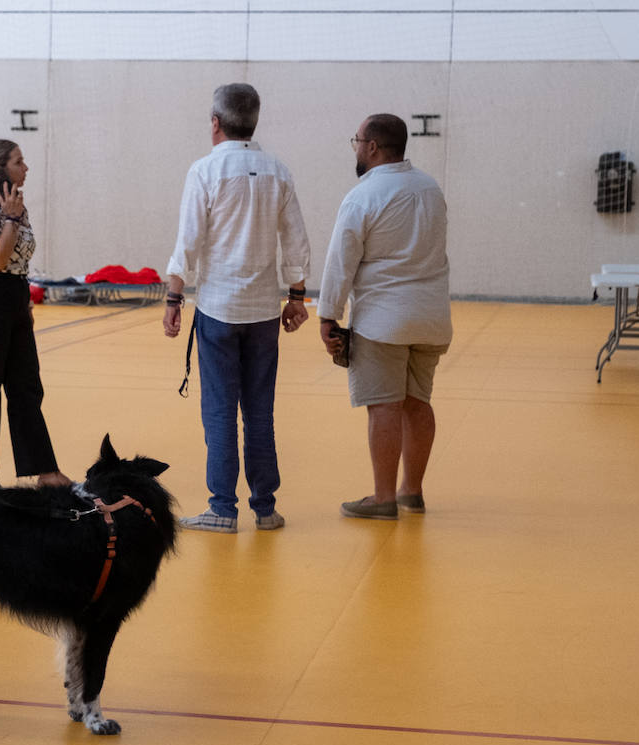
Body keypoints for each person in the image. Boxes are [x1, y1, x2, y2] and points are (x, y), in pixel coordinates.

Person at [162, 83, 311, 534]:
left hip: (218, 309)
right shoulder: (278, 172)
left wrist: (173, 299)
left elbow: (187, 242)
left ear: (215, 123)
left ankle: (222, 509)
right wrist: (297, 296)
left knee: (220, 412)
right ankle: (265, 508)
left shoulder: (204, 171)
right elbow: (296, 240)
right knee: (260, 413)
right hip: (265, 311)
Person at [317, 113, 452, 520]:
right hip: (431, 317)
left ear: (372, 146)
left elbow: (341, 261)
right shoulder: (431, 189)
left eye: (357, 140)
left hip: (383, 320)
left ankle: (382, 498)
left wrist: (328, 316)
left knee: (384, 407)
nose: (356, 147)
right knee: (418, 402)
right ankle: (411, 491)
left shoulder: (363, 195)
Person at [0, 139, 72, 489]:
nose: (26, 168)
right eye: (19, 162)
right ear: (0, 167)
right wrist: (9, 218)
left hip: (15, 298)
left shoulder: (17, 206)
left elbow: (20, 260)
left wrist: (23, 303)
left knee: (26, 387)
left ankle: (45, 471)